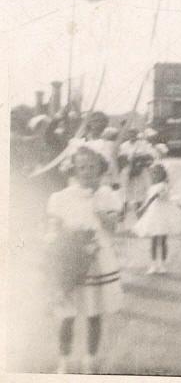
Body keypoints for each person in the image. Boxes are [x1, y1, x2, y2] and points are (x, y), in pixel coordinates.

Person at [46, 145, 123, 374]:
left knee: (93, 312)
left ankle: (89, 360)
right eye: (81, 167)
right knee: (67, 315)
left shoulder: (108, 194)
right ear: (73, 169)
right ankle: (64, 360)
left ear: (101, 168)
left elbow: (113, 227)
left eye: (92, 166)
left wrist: (99, 211)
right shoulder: (61, 197)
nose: (87, 171)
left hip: (97, 259)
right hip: (70, 260)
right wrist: (55, 243)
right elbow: (53, 228)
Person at [133, 163, 181, 275]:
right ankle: (154, 264)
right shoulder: (152, 187)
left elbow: (155, 197)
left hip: (164, 214)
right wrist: (143, 208)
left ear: (163, 175)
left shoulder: (163, 185)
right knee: (154, 240)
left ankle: (162, 264)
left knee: (163, 240)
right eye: (153, 173)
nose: (155, 175)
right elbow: (148, 199)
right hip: (154, 214)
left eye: (158, 173)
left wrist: (143, 208)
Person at [118, 128, 157, 215]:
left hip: (141, 169)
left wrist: (140, 159)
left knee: (140, 188)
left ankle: (140, 207)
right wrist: (127, 163)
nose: (132, 135)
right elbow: (121, 158)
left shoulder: (143, 144)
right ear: (127, 135)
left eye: (133, 133)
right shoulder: (124, 145)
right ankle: (124, 207)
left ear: (137, 134)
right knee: (126, 188)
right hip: (128, 170)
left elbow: (151, 155)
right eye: (130, 133)